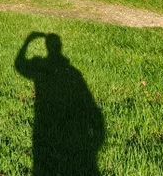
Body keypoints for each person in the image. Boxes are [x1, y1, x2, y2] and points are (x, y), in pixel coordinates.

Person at [15, 32, 105, 176]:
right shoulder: (74, 73)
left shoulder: (51, 70)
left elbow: (20, 66)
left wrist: (27, 42)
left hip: (45, 128)